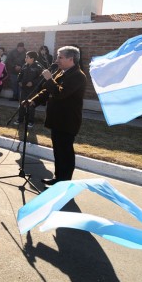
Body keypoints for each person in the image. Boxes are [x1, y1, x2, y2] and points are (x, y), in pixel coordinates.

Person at [24, 46, 87, 185]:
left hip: (67, 120)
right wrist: (33, 101)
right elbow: (47, 91)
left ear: (71, 59)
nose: (56, 59)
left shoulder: (78, 76)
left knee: (65, 152)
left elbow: (60, 94)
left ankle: (64, 182)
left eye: (60, 57)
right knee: (58, 151)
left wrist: (49, 79)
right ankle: (58, 178)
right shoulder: (61, 72)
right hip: (56, 119)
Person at [16, 51, 44, 127]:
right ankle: (20, 119)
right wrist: (19, 81)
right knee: (22, 103)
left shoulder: (38, 67)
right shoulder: (25, 65)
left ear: (32, 59)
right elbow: (20, 74)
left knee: (30, 105)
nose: (25, 58)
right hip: (23, 88)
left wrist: (33, 82)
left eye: (27, 57)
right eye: (26, 57)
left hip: (32, 89)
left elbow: (41, 77)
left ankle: (30, 121)